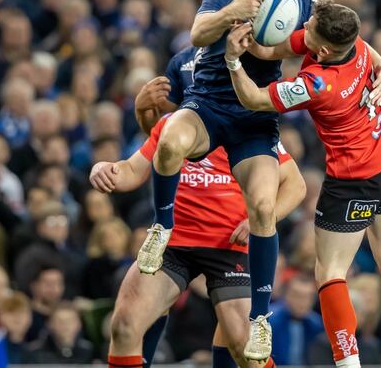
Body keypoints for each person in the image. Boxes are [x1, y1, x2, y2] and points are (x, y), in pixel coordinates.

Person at [223, 0, 381, 368]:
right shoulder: (352, 45)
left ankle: (347, 363)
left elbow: (256, 98)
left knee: (330, 273)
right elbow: (344, 38)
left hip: (356, 179)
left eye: (308, 26)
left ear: (322, 50)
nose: (304, 25)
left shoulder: (317, 84)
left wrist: (231, 61)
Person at [132, 0, 313, 360]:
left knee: (266, 208)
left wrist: (376, 62)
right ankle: (162, 226)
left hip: (255, 120)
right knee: (171, 141)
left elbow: (337, 35)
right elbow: (197, 34)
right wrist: (233, 10)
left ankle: (261, 320)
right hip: (209, 104)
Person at [90, 110, 305, 368]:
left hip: (230, 248)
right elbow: (131, 170)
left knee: (246, 349)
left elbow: (296, 185)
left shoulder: (252, 127)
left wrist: (258, 222)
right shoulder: (173, 124)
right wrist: (104, 168)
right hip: (172, 246)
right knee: (124, 326)